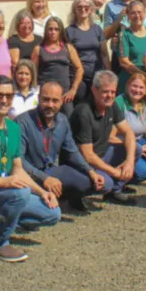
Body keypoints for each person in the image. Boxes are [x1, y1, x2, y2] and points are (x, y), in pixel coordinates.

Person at [0, 76, 61, 262]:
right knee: (19, 193)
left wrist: (42, 192)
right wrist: (4, 182)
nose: (4, 100)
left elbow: (18, 170)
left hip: (7, 191)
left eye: (8, 96)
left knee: (53, 213)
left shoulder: (13, 128)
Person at [18, 82, 105, 212]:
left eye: (55, 100)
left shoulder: (62, 120)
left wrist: (90, 171)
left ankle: (63, 198)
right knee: (49, 214)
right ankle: (40, 200)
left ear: (61, 101)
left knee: (94, 182)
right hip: (29, 176)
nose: (50, 105)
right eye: (46, 99)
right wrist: (44, 178)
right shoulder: (23, 122)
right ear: (38, 98)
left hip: (51, 170)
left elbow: (72, 152)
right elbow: (19, 161)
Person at [69, 71, 139, 205]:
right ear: (94, 90)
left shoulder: (111, 105)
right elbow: (88, 155)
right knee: (107, 183)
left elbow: (128, 133)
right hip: (81, 163)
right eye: (106, 92)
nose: (110, 96)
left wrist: (130, 161)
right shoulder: (83, 112)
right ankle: (75, 194)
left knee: (137, 149)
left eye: (113, 92)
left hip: (102, 154)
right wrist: (115, 172)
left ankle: (114, 192)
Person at [113, 73, 146, 184]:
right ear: (127, 86)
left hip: (138, 142)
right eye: (134, 86)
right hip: (120, 145)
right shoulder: (119, 103)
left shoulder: (142, 105)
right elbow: (110, 137)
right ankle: (126, 175)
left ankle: (138, 166)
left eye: (141, 87)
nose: (137, 90)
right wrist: (138, 148)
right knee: (145, 174)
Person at [32, 17, 84, 114]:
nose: (53, 32)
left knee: (69, 120)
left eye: (56, 29)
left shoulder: (68, 48)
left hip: (64, 95)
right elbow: (32, 72)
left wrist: (73, 89)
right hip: (45, 95)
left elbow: (79, 68)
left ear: (61, 31)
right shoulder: (38, 49)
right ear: (46, 30)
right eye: (50, 29)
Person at [66, 0, 104, 104]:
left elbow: (104, 54)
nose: (83, 9)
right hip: (78, 77)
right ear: (75, 10)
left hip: (96, 75)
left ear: (91, 9)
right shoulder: (69, 31)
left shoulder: (97, 29)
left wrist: (108, 72)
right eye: (79, 7)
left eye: (86, 7)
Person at [115, 1, 146, 91]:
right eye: (133, 13)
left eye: (139, 12)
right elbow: (124, 62)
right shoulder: (123, 35)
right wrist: (143, 75)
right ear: (128, 15)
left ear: (145, 13)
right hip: (130, 80)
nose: (137, 16)